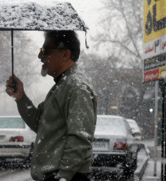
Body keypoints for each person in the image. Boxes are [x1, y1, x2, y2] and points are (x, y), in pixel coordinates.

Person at [5, 30, 97, 181]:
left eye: (45, 50)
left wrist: (63, 176)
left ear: (65, 54)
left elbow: (80, 138)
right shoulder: (62, 86)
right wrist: (21, 97)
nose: (40, 56)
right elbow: (41, 124)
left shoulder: (76, 87)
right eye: (41, 50)